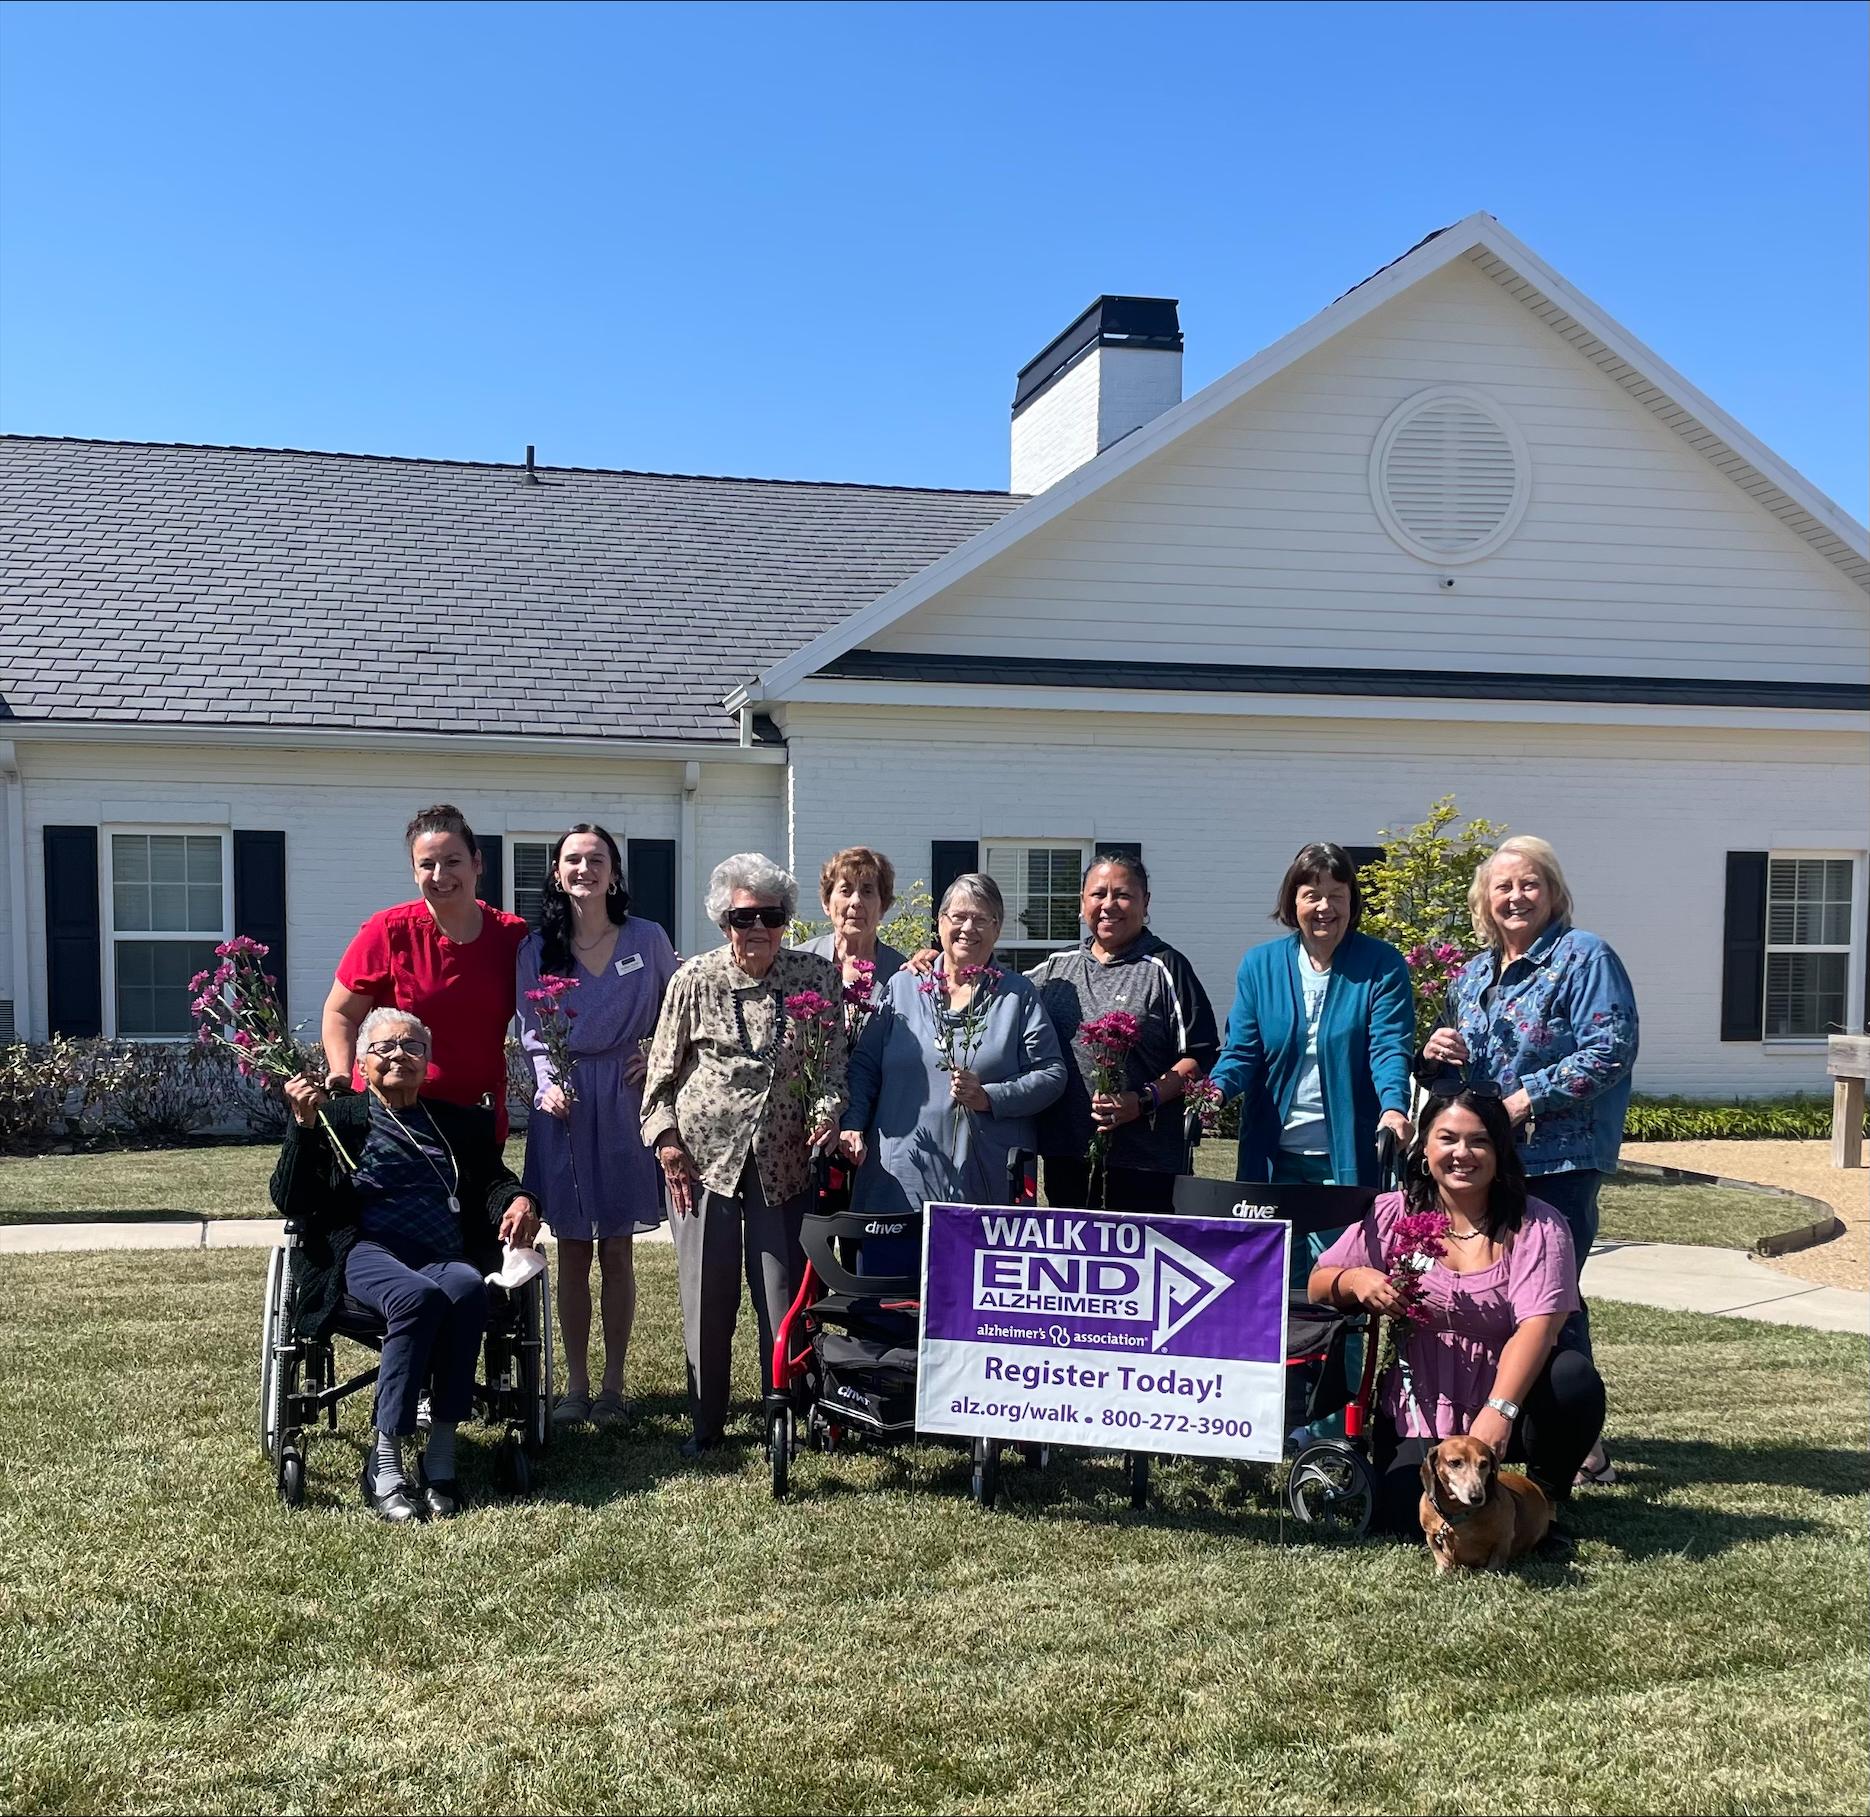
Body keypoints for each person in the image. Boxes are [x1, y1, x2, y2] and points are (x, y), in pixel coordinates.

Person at [1419, 834, 1637, 1484]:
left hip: (1562, 1159)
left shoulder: (1582, 957)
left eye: (1530, 882)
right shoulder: (1473, 976)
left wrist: (1524, 1099)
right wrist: (1431, 1057)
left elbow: (1611, 1047)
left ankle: (1578, 1446)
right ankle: (1512, 1428)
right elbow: (1456, 1082)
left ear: (1553, 891)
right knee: (1504, 1299)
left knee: (1555, 1299)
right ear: (1485, 899)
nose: (1516, 895)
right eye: (1503, 885)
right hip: (1487, 1164)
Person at [271, 1008, 543, 1523]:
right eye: (384, 1047)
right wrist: (304, 1127)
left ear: (428, 1061)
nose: (399, 1055)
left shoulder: (456, 1124)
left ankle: (441, 1453)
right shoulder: (337, 1119)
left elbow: (493, 1183)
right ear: (360, 1062)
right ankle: (386, 1459)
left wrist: (522, 1200)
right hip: (364, 1255)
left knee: (466, 1290)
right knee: (416, 1298)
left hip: (442, 1255)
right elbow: (290, 1198)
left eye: (412, 1047)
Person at [1309, 1089, 1607, 1537]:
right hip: (1421, 1399)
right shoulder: (1394, 1213)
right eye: (1447, 1138)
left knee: (1572, 1378)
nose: (1462, 1154)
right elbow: (1317, 1284)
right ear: (1424, 1146)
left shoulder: (1537, 1224)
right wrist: (1356, 1281)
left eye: (1479, 1141)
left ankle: (1541, 1503)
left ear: (1500, 1151)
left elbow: (1538, 1328)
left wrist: (1499, 1411)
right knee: (1404, 1523)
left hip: (1513, 1393)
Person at [640, 853, 846, 1455]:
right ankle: (706, 1426)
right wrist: (668, 1144)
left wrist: (826, 1114)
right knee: (707, 1299)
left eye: (770, 915)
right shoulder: (694, 980)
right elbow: (659, 1080)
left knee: (780, 1296)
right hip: (702, 1167)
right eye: (742, 916)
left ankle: (785, 1414)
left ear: (786, 919)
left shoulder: (815, 977)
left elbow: (832, 1066)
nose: (756, 928)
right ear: (723, 919)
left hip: (784, 1162)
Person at [516, 824, 678, 1430]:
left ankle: (613, 1387)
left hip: (625, 1100)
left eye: (597, 859)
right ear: (557, 873)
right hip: (564, 1101)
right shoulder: (536, 949)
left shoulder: (647, 938)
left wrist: (657, 1052)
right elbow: (531, 1030)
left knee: (616, 1248)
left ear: (614, 872)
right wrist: (546, 1083)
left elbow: (678, 1007)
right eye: (573, 860)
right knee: (573, 1249)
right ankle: (574, 1388)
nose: (585, 868)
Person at [1209, 842, 1415, 1279]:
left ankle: (1341, 1352)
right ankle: (1282, 1353)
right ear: (1293, 901)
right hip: (1274, 1155)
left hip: (1343, 1154)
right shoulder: (1260, 965)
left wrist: (1394, 1106)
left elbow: (1388, 1046)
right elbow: (1242, 1050)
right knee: (1268, 1282)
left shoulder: (1381, 965)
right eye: (1312, 895)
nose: (1325, 907)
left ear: (1351, 902)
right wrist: (1215, 1091)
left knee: (1343, 1280)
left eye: (1336, 895)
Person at [840, 872, 1067, 1229]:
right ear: (940, 922)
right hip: (900, 1177)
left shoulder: (1017, 995)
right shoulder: (904, 986)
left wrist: (991, 1097)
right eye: (958, 917)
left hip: (984, 1181)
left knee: (967, 1281)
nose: (968, 928)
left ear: (998, 928)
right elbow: (865, 1065)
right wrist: (851, 1124)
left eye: (981, 919)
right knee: (894, 1280)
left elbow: (1052, 1074)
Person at [323, 804, 530, 1141]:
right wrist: (341, 1072)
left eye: (452, 862)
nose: (440, 876)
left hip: (477, 1113)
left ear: (476, 863)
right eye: (427, 865)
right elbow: (341, 1012)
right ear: (413, 871)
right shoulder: (388, 930)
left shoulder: (512, 936)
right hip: (397, 1115)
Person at [1028, 855, 1221, 1211]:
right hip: (1066, 1156)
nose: (1108, 906)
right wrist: (936, 961)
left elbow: (1200, 1054)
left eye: (1123, 895)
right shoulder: (1054, 970)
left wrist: (1144, 1100)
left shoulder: (1166, 967)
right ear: (1082, 902)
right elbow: (992, 992)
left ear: (1145, 902)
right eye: (1098, 894)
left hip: (1146, 1163)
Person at [795, 845, 909, 991]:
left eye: (867, 891)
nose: (856, 902)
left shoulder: (900, 972)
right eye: (845, 891)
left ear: (883, 906)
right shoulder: (799, 963)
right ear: (826, 902)